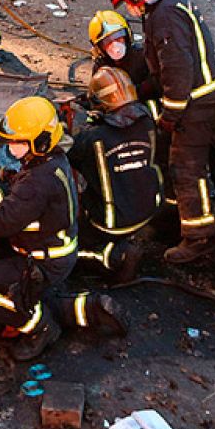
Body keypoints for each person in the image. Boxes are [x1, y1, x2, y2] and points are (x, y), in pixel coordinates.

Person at [0, 97, 125, 360]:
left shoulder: (37, 180)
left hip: (43, 262)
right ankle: (86, 308)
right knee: (33, 294)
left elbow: (0, 222)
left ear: (39, 142)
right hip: (53, 251)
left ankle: (40, 328)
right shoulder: (50, 162)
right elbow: (20, 194)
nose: (11, 147)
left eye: (17, 141)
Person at [108, 0, 215, 264]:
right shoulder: (166, 7)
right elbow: (161, 69)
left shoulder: (165, 16)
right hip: (195, 99)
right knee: (171, 161)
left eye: (126, 2)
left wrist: (170, 115)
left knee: (187, 168)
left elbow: (176, 70)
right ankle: (176, 219)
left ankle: (200, 239)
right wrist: (136, 92)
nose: (128, 10)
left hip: (196, 105)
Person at [67, 67, 161, 283]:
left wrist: (64, 128)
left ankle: (113, 255)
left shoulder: (93, 139)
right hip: (149, 209)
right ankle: (136, 236)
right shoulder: (147, 123)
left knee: (65, 252)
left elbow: (69, 154)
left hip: (111, 223)